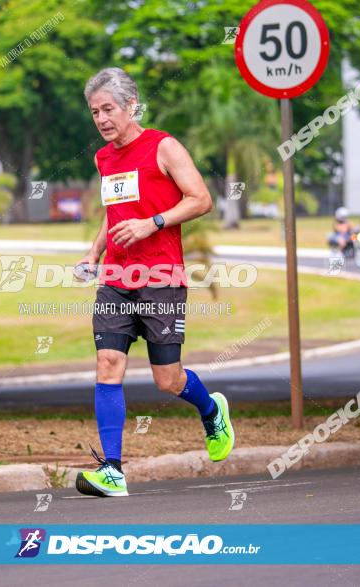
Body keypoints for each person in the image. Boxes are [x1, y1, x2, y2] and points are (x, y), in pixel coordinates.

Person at [73, 67, 235, 497]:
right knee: (108, 364)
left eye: (109, 109)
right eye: (95, 112)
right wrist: (95, 252)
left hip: (161, 277)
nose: (102, 119)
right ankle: (112, 469)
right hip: (116, 279)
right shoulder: (103, 158)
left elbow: (201, 199)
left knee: (167, 379)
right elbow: (116, 215)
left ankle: (210, 409)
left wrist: (153, 223)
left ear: (131, 106)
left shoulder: (163, 147)